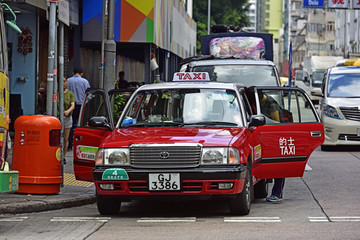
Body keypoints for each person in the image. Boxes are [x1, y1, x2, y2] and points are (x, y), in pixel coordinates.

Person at [258, 91, 285, 202]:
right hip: (267, 137)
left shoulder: (271, 104)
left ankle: (277, 194)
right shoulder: (260, 102)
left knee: (278, 167)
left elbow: (276, 123)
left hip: (276, 137)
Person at [67, 68, 90, 151]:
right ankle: (80, 145)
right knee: (81, 125)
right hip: (81, 105)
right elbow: (88, 94)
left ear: (73, 73)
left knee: (70, 125)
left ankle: (69, 145)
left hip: (70, 106)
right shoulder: (85, 82)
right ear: (81, 73)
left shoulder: (68, 81)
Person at [58, 77, 75, 163]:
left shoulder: (70, 94)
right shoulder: (55, 93)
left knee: (65, 138)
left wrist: (68, 111)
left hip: (67, 118)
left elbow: (73, 105)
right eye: (61, 81)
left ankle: (63, 156)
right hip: (57, 118)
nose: (63, 83)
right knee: (56, 138)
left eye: (64, 81)